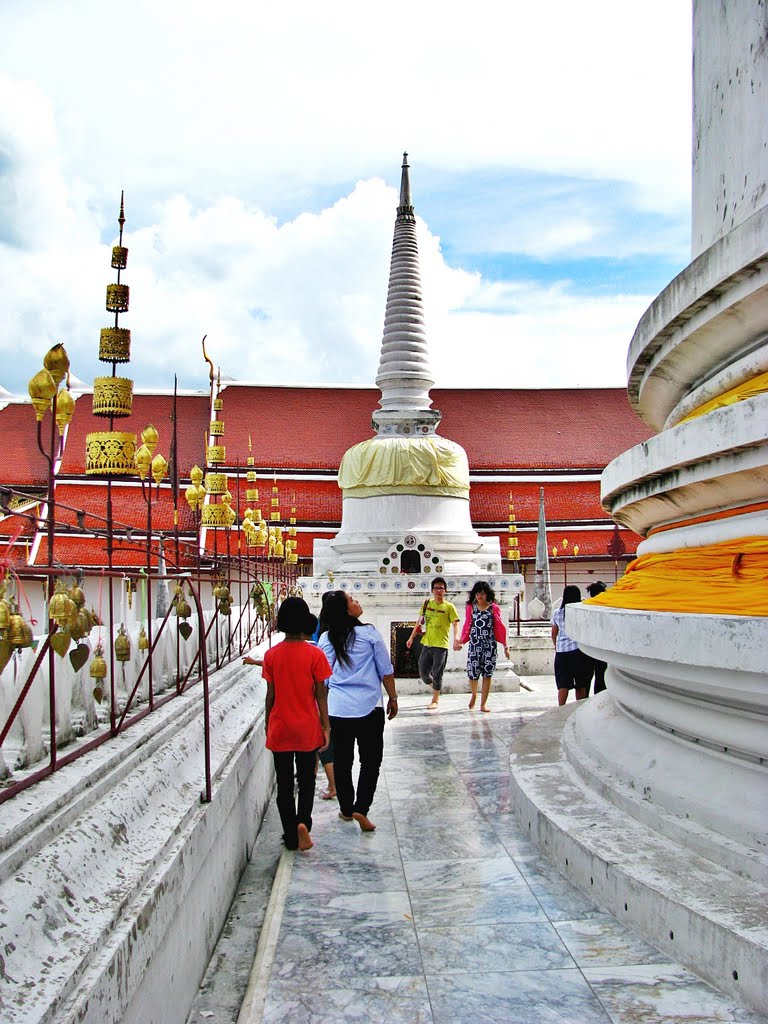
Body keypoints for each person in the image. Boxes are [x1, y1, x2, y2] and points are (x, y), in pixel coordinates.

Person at [245, 597, 331, 852]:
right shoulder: (315, 653)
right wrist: (326, 726)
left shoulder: (272, 655)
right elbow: (321, 694)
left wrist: (267, 722)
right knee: (307, 779)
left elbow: (270, 695)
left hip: (281, 726)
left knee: (284, 785)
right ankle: (303, 821)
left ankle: (290, 836)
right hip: (307, 727)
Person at [318, 590, 398, 832]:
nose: (357, 602)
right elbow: (385, 669)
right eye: (352, 600)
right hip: (370, 707)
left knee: (342, 762)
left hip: (339, 708)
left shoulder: (326, 639)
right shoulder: (370, 634)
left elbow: (323, 679)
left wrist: (322, 716)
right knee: (370, 762)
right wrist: (392, 697)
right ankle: (361, 809)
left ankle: (345, 808)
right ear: (346, 610)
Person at [405, 576, 460, 710]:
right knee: (423, 672)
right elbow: (419, 623)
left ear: (445, 591)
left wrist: (456, 638)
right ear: (432, 590)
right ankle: (436, 687)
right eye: (436, 588)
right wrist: (411, 637)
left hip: (441, 645)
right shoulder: (427, 604)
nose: (438, 591)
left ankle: (435, 699)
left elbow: (455, 623)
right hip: (427, 643)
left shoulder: (449, 607)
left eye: (441, 588)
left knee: (437, 672)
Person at [458, 581, 510, 712]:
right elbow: (467, 625)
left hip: (489, 645)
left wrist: (505, 645)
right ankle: (474, 695)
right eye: (477, 593)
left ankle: (483, 704)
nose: (480, 596)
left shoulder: (493, 608)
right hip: (475, 645)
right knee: (473, 672)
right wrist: (461, 641)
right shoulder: (471, 607)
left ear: (487, 594)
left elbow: (499, 627)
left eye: (482, 593)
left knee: (488, 674)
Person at [551, 585, 593, 705]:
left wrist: (557, 647)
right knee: (580, 683)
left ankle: (561, 708)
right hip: (578, 651)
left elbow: (554, 634)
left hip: (562, 653)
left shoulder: (557, 613)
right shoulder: (581, 613)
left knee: (563, 684)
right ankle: (579, 707)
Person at [585, 581, 609, 694]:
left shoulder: (585, 606)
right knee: (601, 674)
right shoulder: (605, 607)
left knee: (586, 677)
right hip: (600, 645)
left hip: (587, 645)